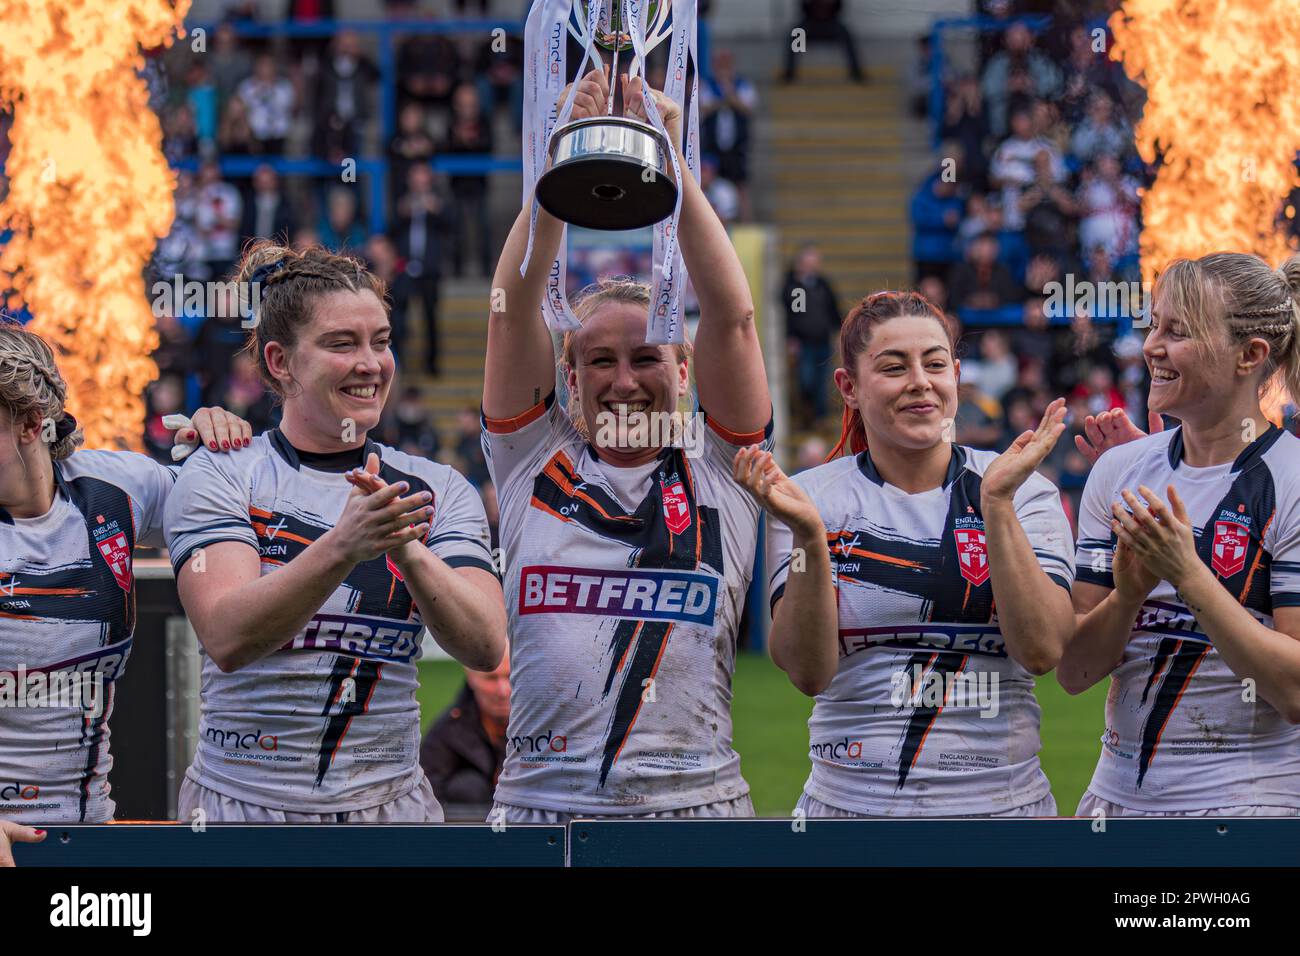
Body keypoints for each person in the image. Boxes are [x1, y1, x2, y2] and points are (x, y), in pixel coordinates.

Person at [481, 68, 772, 823]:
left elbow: (735, 320)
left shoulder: (725, 474)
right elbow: (512, 313)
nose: (623, 380)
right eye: (597, 361)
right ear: (567, 380)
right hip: (542, 811)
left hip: (696, 810)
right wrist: (555, 166)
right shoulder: (530, 465)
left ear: (684, 367)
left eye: (646, 358)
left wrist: (673, 164)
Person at [164, 241, 507, 823]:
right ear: (280, 362)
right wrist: (344, 545)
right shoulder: (223, 470)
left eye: (381, 340)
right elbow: (227, 636)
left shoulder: (437, 486)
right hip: (245, 809)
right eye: (341, 344)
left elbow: (484, 643)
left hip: (386, 810)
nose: (371, 363)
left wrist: (407, 551)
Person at [737, 291, 1075, 817]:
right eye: (894, 367)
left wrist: (998, 506)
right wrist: (808, 536)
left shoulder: (1023, 490)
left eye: (935, 364)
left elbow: (1043, 650)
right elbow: (807, 672)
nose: (920, 381)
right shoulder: (811, 500)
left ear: (956, 376)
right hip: (850, 814)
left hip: (1003, 813)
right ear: (848, 388)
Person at [1061, 252, 1300, 816]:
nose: (1152, 347)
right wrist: (1129, 594)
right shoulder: (1119, 470)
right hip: (1114, 805)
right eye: (1154, 326)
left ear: (1250, 355)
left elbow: (1293, 693)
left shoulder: (1291, 480)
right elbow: (1073, 673)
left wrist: (1187, 572)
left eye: (1179, 331)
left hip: (1246, 810)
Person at [0, 322, 249, 864]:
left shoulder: (116, 488)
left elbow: (234, 516)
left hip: (89, 837)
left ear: (29, 424)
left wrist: (219, 450)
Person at [419, 656, 510, 821]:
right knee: (468, 787)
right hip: (471, 835)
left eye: (510, 677)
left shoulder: (547, 726)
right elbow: (427, 799)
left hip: (530, 828)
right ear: (471, 677)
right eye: (491, 678)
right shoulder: (447, 730)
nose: (502, 690)